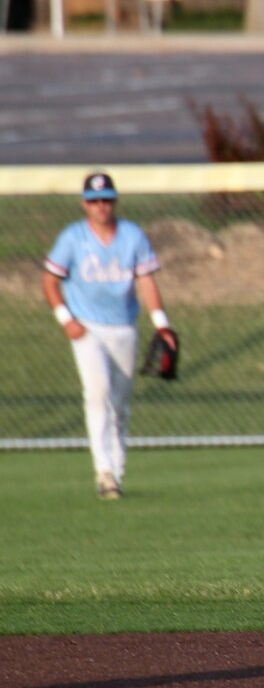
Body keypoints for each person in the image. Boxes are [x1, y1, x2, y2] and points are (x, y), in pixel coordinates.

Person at [42, 172, 176, 500]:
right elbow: (49, 281)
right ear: (84, 204)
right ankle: (103, 471)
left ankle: (116, 471)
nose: (100, 206)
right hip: (87, 327)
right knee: (97, 392)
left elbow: (145, 281)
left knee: (120, 401)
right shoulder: (73, 237)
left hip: (124, 327)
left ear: (114, 201)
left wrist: (162, 323)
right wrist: (65, 319)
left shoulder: (131, 236)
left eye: (105, 200)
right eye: (93, 201)